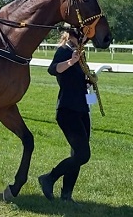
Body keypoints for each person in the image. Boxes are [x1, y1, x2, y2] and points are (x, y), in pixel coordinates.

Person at [38, 26, 91, 203]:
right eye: (84, 37)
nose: (86, 40)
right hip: (68, 110)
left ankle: (66, 195)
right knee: (83, 155)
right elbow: (53, 69)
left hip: (82, 109)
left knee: (77, 154)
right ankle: (49, 178)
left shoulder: (80, 53)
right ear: (75, 36)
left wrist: (88, 79)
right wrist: (71, 62)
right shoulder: (64, 51)